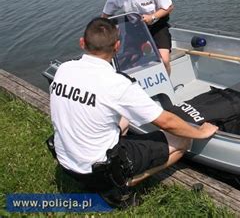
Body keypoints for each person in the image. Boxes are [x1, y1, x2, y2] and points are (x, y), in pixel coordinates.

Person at [49, 17, 218, 207]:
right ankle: (118, 186)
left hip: (67, 164)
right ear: (118, 46)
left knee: (123, 118)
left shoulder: (64, 69)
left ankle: (110, 175)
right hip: (97, 173)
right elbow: (166, 122)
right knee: (183, 140)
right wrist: (200, 132)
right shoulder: (117, 83)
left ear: (82, 42)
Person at [101, 0, 174, 75]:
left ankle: (168, 87)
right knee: (126, 63)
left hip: (157, 27)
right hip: (134, 29)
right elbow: (105, 16)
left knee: (164, 61)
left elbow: (169, 7)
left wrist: (152, 17)